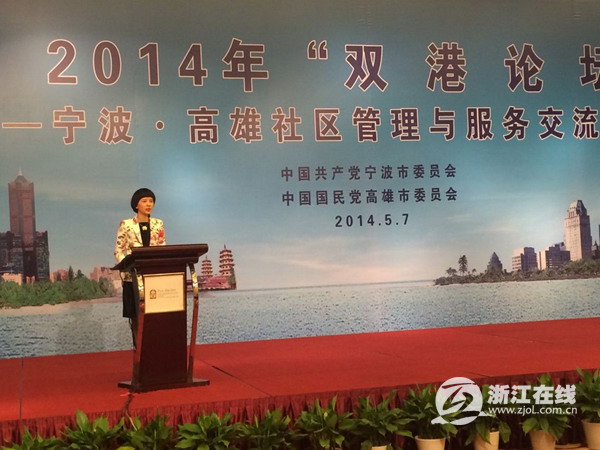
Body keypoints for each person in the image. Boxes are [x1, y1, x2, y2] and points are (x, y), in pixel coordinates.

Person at [114, 188, 166, 347]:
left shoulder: (158, 224)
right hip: (133, 278)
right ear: (136, 205)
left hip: (153, 276)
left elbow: (162, 247)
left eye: (151, 201)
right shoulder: (126, 224)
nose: (148, 204)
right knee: (136, 316)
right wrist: (128, 265)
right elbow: (119, 250)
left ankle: (154, 348)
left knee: (154, 316)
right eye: (144, 201)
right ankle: (139, 350)